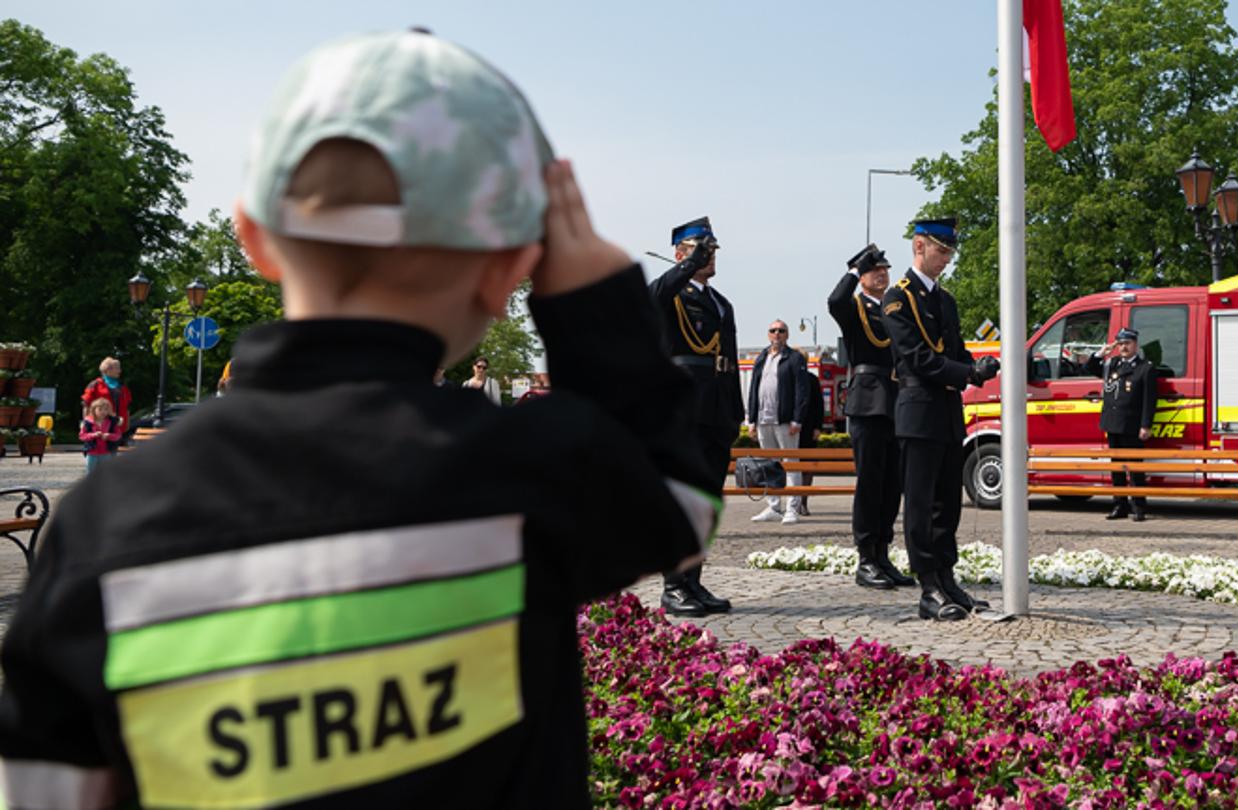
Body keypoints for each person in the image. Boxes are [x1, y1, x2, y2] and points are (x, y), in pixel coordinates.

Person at [0, 30, 715, 808]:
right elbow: (677, 501)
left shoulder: (109, 522)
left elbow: (46, 787)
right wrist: (595, 308)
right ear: (511, 268)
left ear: (254, 239)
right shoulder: (519, 474)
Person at [883, 217, 998, 620]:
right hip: (918, 409)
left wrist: (978, 364)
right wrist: (966, 373)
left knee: (947, 502)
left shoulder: (945, 300)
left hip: (948, 410)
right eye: (941, 250)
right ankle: (928, 585)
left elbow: (954, 351)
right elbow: (918, 357)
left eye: (950, 251)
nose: (946, 259)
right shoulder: (898, 298)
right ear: (919, 247)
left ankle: (947, 579)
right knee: (920, 502)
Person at [649, 216, 744, 616]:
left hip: (717, 409)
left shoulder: (721, 303)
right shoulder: (670, 292)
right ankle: (674, 585)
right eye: (701, 249)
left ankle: (694, 581)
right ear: (679, 253)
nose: (710, 256)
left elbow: (731, 359)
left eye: (712, 249)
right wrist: (688, 264)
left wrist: (737, 411)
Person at [828, 244, 914, 589]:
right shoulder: (855, 307)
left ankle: (882, 553)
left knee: (892, 483)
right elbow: (834, 302)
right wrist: (852, 270)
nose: (882, 274)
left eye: (884, 269)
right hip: (868, 399)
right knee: (870, 483)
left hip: (896, 397)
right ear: (862, 277)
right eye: (873, 270)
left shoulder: (894, 307)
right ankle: (865, 557)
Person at [745, 319, 809, 524]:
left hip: (785, 421)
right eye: (773, 330)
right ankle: (773, 506)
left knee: (790, 464)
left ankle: (792, 508)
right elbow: (753, 389)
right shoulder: (761, 357)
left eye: (781, 330)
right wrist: (751, 419)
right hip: (764, 420)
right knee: (768, 464)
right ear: (768, 334)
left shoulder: (794, 358)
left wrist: (797, 419)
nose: (777, 334)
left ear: (787, 335)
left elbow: (802, 390)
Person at [1099, 327, 1156, 521]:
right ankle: (1119, 505)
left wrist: (1146, 425)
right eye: (1121, 343)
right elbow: (1087, 368)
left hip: (1132, 425)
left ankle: (1139, 507)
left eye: (1127, 343)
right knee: (1116, 469)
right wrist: (1100, 354)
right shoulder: (1112, 364)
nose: (1124, 347)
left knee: (1135, 468)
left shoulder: (1145, 368)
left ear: (1135, 345)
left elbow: (1149, 400)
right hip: (1113, 424)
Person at [81, 356, 133, 446]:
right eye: (117, 368)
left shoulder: (122, 386)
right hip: (99, 426)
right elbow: (86, 404)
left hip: (117, 426)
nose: (120, 371)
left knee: (113, 453)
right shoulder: (95, 385)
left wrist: (127, 424)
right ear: (107, 370)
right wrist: (87, 423)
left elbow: (127, 406)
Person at [794, 367, 824, 516]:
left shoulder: (812, 379)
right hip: (790, 428)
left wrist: (818, 427)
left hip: (809, 428)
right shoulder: (788, 377)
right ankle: (793, 503)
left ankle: (803, 502)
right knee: (792, 467)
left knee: (807, 467)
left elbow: (819, 404)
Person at [78, 397, 124, 473]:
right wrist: (93, 435)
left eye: (106, 409)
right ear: (94, 410)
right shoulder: (88, 422)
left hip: (106, 452)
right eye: (100, 409)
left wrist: (109, 436)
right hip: (92, 453)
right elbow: (82, 436)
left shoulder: (112, 422)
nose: (103, 412)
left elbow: (118, 435)